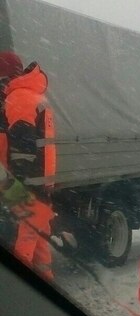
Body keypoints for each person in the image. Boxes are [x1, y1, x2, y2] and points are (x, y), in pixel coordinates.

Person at [0, 52, 57, 281]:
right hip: (39, 180)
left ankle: (20, 290)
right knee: (37, 234)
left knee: (24, 239)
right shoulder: (32, 96)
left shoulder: (19, 97)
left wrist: (14, 186)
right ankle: (46, 282)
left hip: (24, 183)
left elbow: (23, 147)